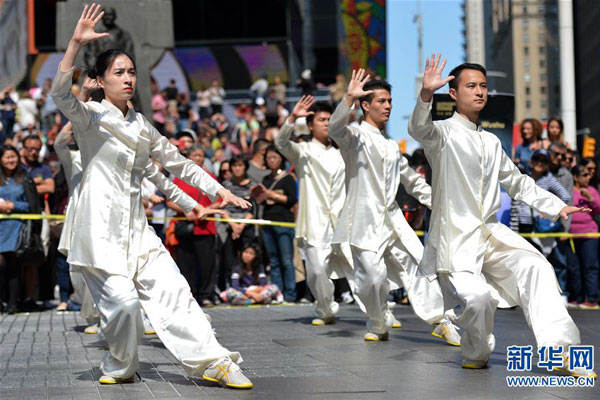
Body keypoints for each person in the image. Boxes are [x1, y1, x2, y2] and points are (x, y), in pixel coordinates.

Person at [50, 4, 253, 389]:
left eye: (131, 72)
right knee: (124, 305)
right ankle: (121, 364)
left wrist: (219, 190)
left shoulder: (143, 125)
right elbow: (62, 96)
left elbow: (177, 166)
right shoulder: (90, 117)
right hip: (100, 233)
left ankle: (217, 362)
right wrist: (75, 44)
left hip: (138, 232)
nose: (128, 79)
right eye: (118, 73)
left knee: (176, 294)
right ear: (101, 80)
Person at [407, 54, 595, 377]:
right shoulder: (442, 136)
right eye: (471, 86)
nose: (479, 92)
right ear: (453, 93)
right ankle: (476, 350)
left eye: (483, 86)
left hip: (492, 235)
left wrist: (557, 206)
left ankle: (561, 353)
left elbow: (518, 182)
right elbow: (419, 129)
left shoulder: (492, 142)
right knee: (478, 299)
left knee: (537, 267)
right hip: (456, 241)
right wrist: (425, 95)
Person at [329, 69, 460, 343]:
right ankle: (377, 322)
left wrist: (442, 203)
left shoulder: (391, 147)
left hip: (393, 221)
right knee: (373, 279)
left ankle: (440, 320)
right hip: (363, 223)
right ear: (366, 104)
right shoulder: (355, 138)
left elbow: (413, 181)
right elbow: (335, 129)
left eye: (390, 101)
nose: (388, 106)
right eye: (381, 101)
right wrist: (347, 101)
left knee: (419, 268)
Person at [275, 96, 357, 325]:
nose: (326, 124)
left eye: (330, 120)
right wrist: (292, 118)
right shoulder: (303, 152)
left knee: (361, 268)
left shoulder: (343, 152)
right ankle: (325, 308)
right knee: (317, 270)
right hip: (314, 223)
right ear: (310, 124)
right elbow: (281, 143)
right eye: (321, 120)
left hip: (343, 222)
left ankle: (379, 311)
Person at [168, 145, 220, 307]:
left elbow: (219, 201)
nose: (198, 158)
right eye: (195, 155)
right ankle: (189, 296)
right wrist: (187, 210)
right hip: (185, 226)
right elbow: (170, 201)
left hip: (205, 227)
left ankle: (206, 295)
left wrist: (205, 210)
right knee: (186, 264)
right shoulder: (179, 178)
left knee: (207, 264)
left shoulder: (210, 177)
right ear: (188, 157)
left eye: (201, 155)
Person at [0, 145, 40, 314]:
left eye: (13, 157)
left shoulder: (24, 177)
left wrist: (12, 205)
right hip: (1, 229)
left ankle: (12, 303)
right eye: (7, 157)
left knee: (14, 266)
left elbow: (32, 205)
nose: (11, 160)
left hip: (17, 228)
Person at [256, 145, 297, 302]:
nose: (271, 161)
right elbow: (261, 200)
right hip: (267, 221)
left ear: (281, 159)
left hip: (284, 221)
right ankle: (276, 292)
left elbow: (291, 199)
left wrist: (272, 195)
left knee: (287, 260)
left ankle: (290, 294)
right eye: (269, 158)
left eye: (274, 157)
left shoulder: (288, 178)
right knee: (273, 260)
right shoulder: (266, 179)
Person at [569, 164, 600, 309]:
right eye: (584, 175)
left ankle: (592, 299)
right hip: (571, 234)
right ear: (575, 177)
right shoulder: (569, 191)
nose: (588, 178)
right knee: (575, 267)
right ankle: (577, 297)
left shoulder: (591, 190)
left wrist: (591, 198)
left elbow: (598, 209)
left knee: (590, 266)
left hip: (589, 233)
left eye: (589, 175)